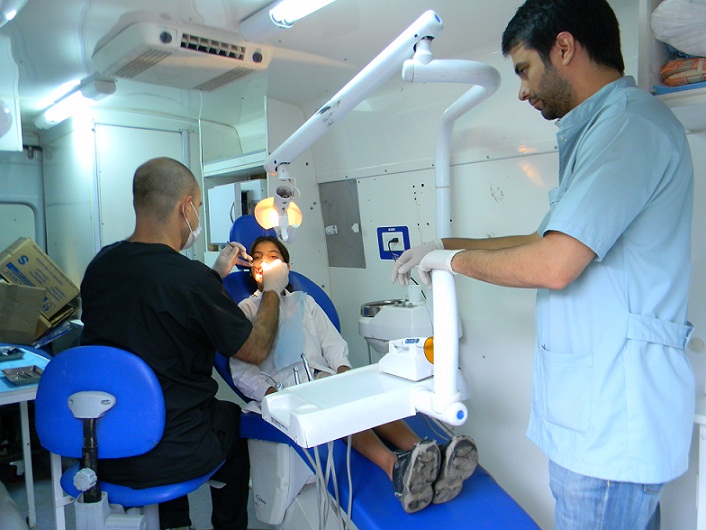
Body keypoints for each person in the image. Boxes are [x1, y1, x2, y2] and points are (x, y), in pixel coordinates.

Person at [391, 1, 694, 528]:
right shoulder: (603, 131)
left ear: (564, 47)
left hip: (612, 427)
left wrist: (451, 262)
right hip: (602, 421)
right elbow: (542, 240)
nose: (522, 90)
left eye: (524, 69)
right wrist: (441, 243)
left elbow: (554, 263)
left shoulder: (627, 127)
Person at [80, 157, 289, 530]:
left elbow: (156, 306)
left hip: (102, 442)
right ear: (186, 206)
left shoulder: (101, 265)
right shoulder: (189, 279)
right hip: (171, 448)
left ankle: (174, 522)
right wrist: (272, 290)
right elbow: (255, 348)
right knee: (230, 422)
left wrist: (214, 276)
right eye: (199, 208)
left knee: (169, 411)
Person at [230, 236, 479, 514]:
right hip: (285, 393)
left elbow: (332, 345)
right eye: (258, 258)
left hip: (324, 379)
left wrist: (346, 376)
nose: (264, 262)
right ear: (251, 270)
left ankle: (428, 453)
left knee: (364, 398)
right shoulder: (245, 311)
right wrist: (272, 396)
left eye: (273, 257)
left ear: (287, 268)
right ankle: (394, 467)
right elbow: (241, 370)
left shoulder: (305, 303)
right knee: (339, 406)